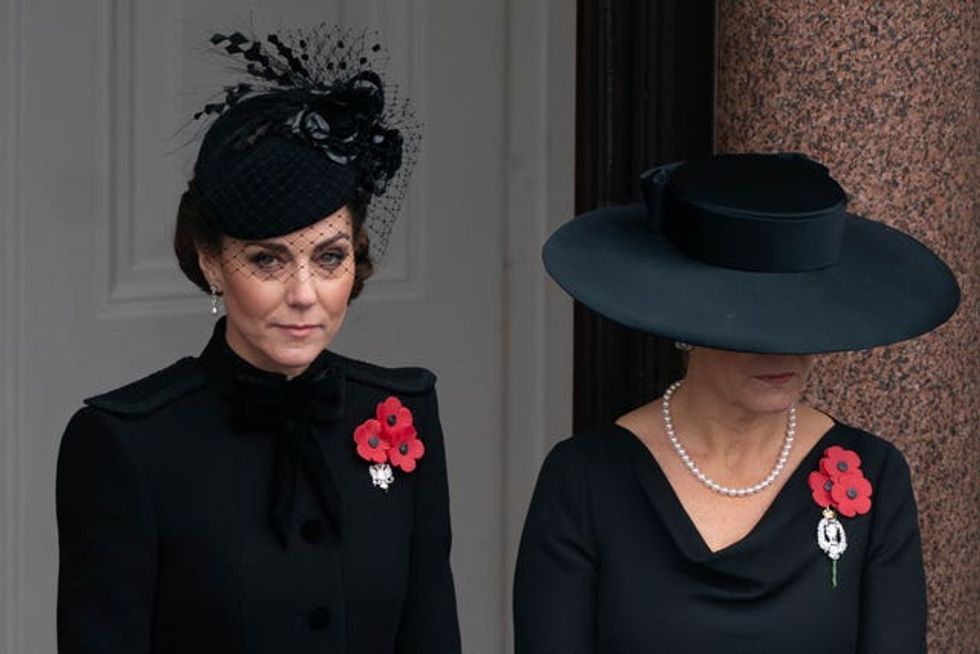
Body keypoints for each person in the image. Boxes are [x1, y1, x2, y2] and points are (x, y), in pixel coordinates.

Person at [56, 25, 460, 654]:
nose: (304, 293)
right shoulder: (124, 444)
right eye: (268, 261)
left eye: (329, 258)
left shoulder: (406, 414)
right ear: (211, 262)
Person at [514, 153, 959, 653]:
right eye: (752, 323)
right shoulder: (584, 480)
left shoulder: (875, 475)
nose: (781, 348)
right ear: (689, 322)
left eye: (803, 319)